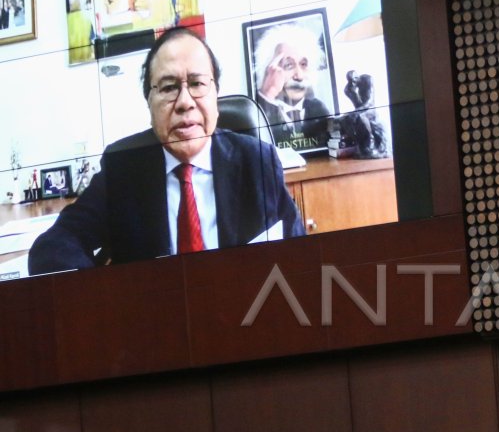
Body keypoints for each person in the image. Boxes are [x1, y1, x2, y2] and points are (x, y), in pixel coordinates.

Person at [28, 27, 303, 274]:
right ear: (149, 102)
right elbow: (55, 245)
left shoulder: (256, 160)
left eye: (196, 84)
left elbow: (299, 255)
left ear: (215, 94)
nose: (185, 102)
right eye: (169, 88)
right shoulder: (122, 168)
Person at [254, 23, 333, 148]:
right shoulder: (256, 110)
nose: (299, 76)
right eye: (289, 65)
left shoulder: (320, 109)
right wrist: (268, 93)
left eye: (303, 65)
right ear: (269, 70)